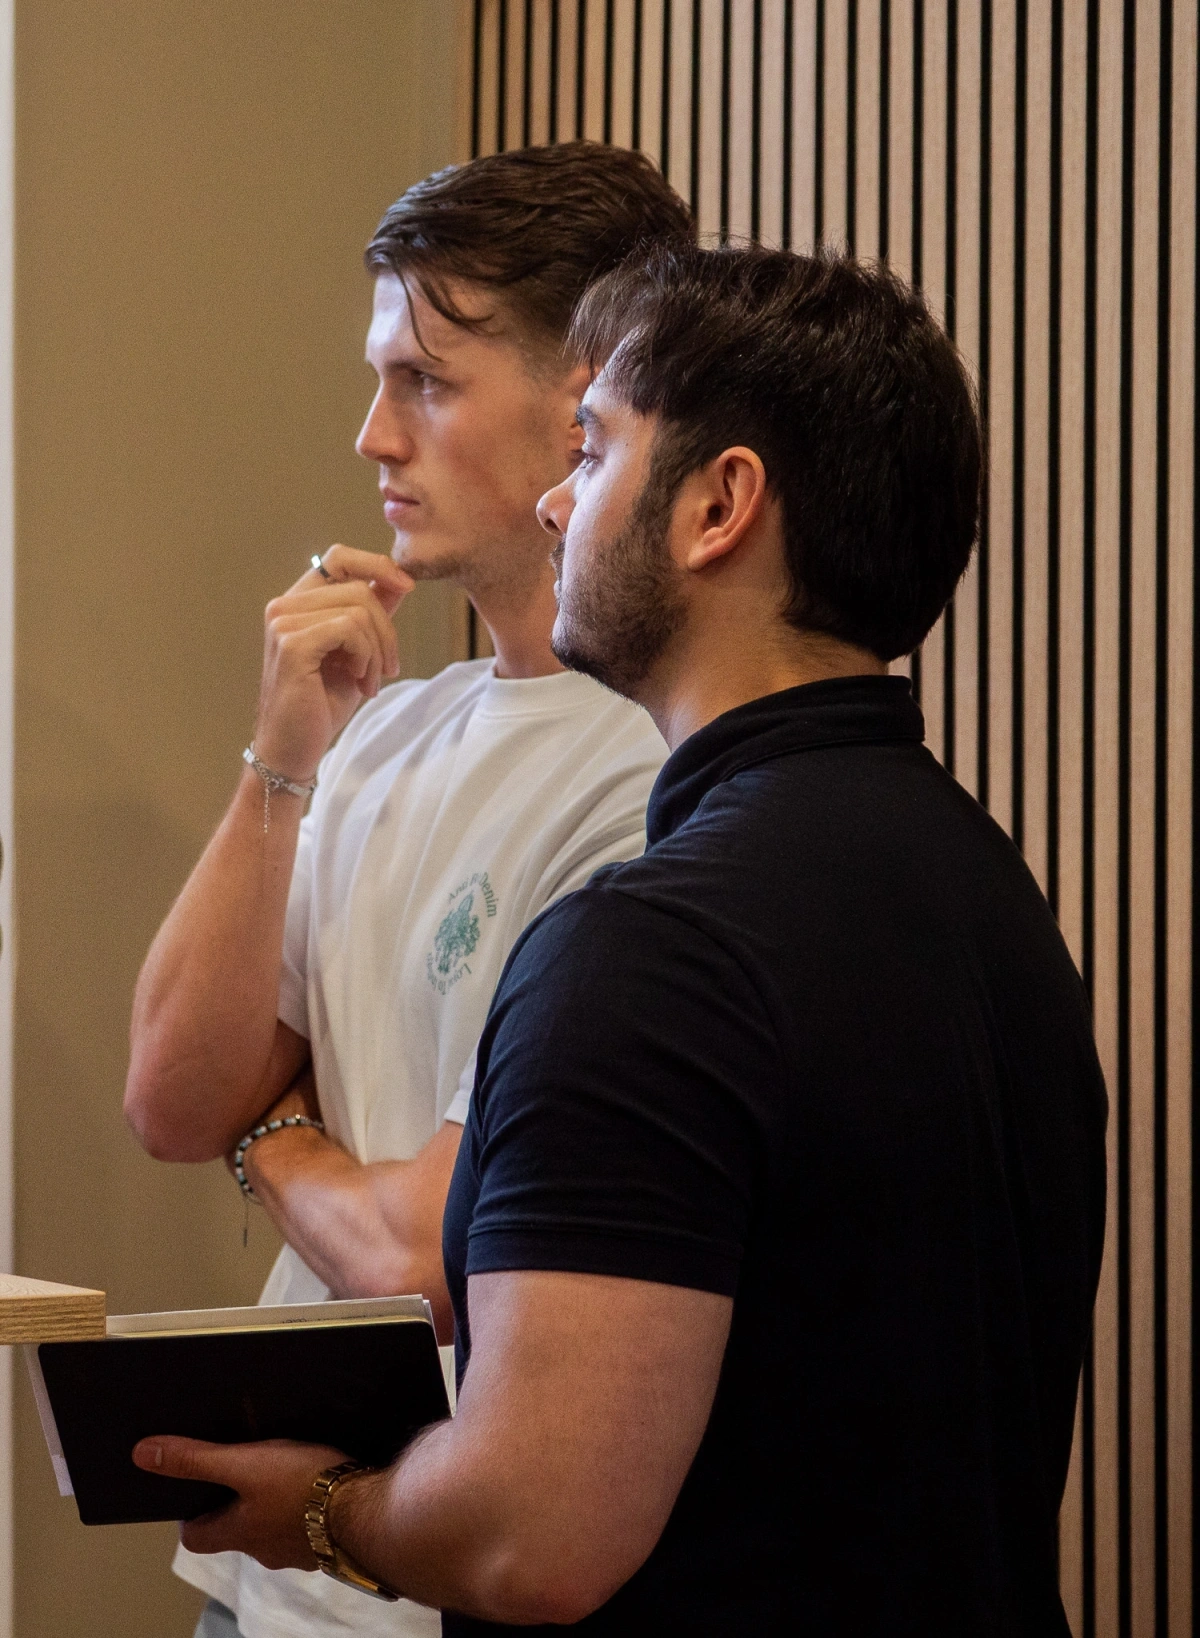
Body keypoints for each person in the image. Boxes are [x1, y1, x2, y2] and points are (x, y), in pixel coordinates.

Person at [134, 244, 1108, 1635]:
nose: (556, 497)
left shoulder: (650, 950)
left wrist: (323, 1509)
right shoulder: (990, 890)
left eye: (592, 451)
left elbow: (532, 1534)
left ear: (718, 507)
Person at [123, 145, 691, 1638]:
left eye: (425, 382)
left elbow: (417, 1255)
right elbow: (172, 1093)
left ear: (586, 404)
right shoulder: (392, 725)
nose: (372, 435)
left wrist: (273, 1124)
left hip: (421, 1576)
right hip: (255, 1579)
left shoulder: (645, 771)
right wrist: (281, 755)